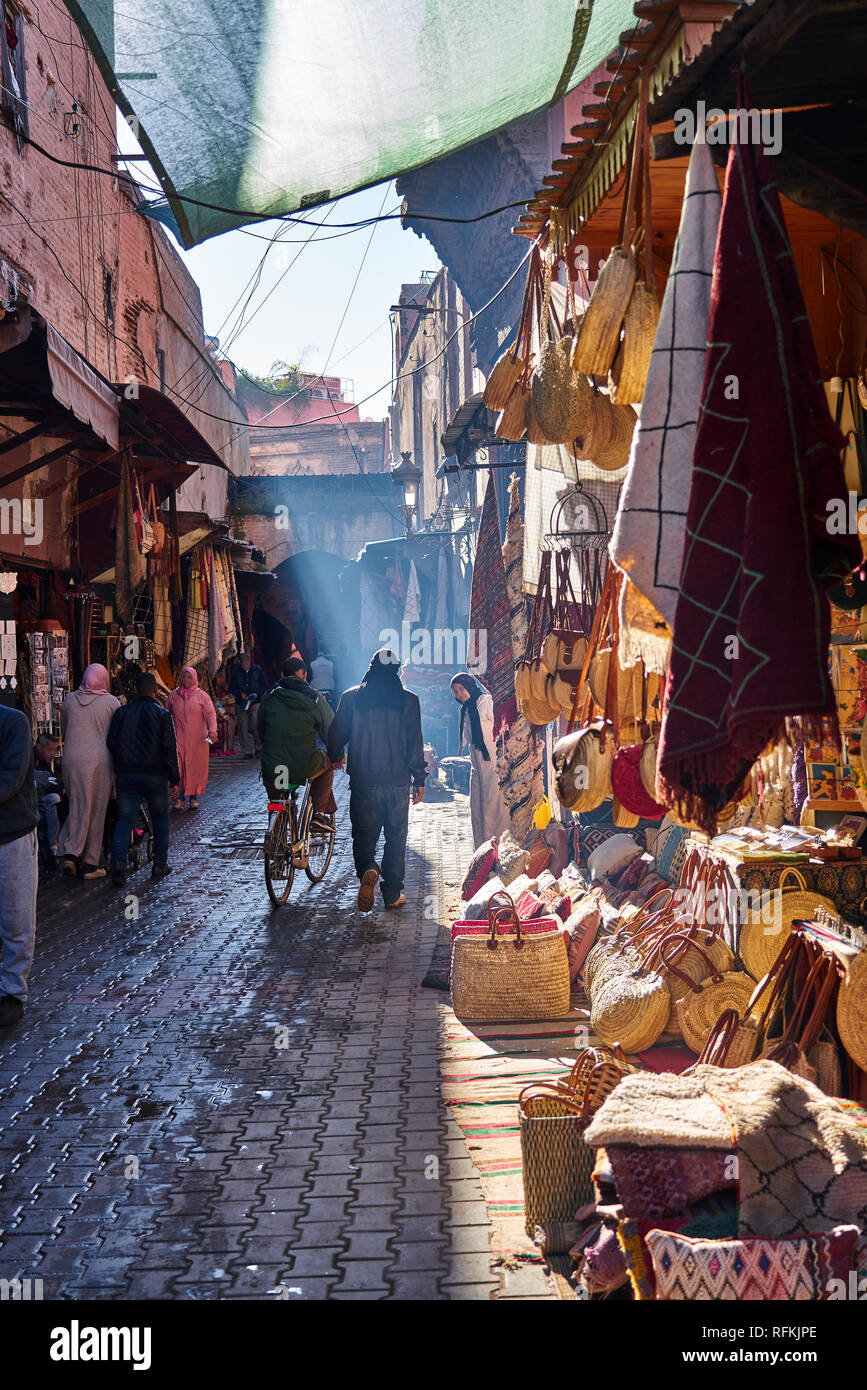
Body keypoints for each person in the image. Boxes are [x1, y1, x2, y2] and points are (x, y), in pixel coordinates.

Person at [328, 648, 425, 912]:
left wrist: (335, 756)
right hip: (397, 782)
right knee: (396, 837)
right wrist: (419, 777)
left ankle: (368, 869)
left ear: (370, 669)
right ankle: (392, 893)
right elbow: (414, 742)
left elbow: (336, 734)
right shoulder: (409, 700)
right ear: (395, 670)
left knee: (363, 835)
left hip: (363, 781)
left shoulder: (351, 699)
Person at [107, 670, 181, 886]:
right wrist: (174, 780)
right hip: (155, 776)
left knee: (126, 820)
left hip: (127, 776)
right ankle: (159, 863)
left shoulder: (121, 713)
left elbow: (111, 742)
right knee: (159, 819)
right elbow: (169, 748)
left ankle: (118, 865)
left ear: (135, 690)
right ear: (155, 690)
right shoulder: (162, 714)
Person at [257, 656, 337, 828]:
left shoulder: (269, 696)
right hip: (305, 765)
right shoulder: (314, 698)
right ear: (305, 675)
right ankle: (319, 814)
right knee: (329, 763)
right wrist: (337, 755)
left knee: (276, 798)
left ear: (283, 675)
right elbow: (331, 731)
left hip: (275, 768)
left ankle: (276, 826)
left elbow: (260, 729)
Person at [57, 663, 120, 879]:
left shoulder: (69, 701)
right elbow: (115, 735)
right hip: (99, 761)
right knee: (96, 809)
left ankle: (70, 854)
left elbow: (64, 730)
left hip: (71, 759)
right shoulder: (111, 702)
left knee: (76, 805)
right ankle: (91, 863)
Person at [0, 704, 38, 1025]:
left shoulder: (13, 722)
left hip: (11, 833)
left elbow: (10, 778)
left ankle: (13, 991)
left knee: (17, 916)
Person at [450, 672, 510, 848]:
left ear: (469, 686)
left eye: (461, 688)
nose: (460, 694)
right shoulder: (466, 709)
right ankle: (482, 846)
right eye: (455, 691)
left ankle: (500, 844)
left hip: (493, 762)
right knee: (477, 806)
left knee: (495, 805)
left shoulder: (486, 702)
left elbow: (501, 727)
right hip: (476, 766)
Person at [167, 667, 217, 811]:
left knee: (195, 768)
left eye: (190, 677)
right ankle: (180, 798)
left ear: (195, 679)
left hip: (198, 740)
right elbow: (167, 714)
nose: (186, 680)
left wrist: (212, 731)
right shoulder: (173, 696)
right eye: (184, 677)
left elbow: (210, 714)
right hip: (178, 738)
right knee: (179, 767)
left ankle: (193, 798)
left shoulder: (202, 696)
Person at [229, 650, 268, 757]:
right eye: (243, 663)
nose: (245, 665)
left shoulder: (257, 670)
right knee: (243, 727)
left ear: (250, 661)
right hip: (241, 703)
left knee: (256, 724)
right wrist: (239, 693)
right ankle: (247, 751)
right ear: (240, 663)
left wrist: (257, 694)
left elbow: (265, 685)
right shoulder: (236, 672)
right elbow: (231, 687)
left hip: (255, 702)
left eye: (247, 663)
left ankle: (259, 748)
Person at [34, 732, 63, 868]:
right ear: (39, 747)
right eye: (50, 750)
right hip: (33, 804)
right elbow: (52, 785)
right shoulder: (32, 761)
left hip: (39, 802)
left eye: (55, 750)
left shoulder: (44, 763)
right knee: (53, 799)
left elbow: (53, 783)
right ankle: (53, 844)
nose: (53, 754)